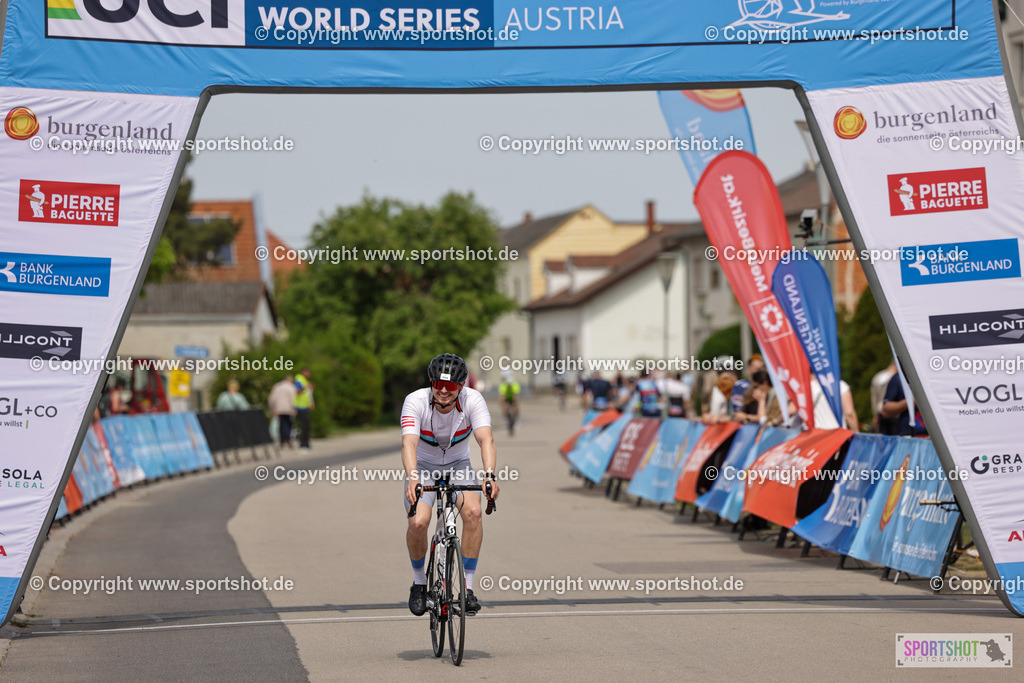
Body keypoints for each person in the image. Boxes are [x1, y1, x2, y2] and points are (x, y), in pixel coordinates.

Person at [403, 353, 499, 617]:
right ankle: (419, 583)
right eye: (438, 384)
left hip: (458, 466)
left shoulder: (473, 400)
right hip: (422, 467)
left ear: (462, 386)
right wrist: (413, 477)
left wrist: (489, 475)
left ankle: (466, 589)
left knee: (474, 513)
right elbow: (408, 443)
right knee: (418, 522)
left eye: (451, 386)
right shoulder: (415, 401)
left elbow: (486, 439)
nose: (444, 391)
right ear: (431, 383)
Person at [881, 371, 928, 437]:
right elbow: (885, 410)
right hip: (909, 436)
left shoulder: (936, 374)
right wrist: (911, 402)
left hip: (937, 436)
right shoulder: (899, 377)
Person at [268, 374, 297, 448]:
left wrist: (272, 408)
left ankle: (282, 440)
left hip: (279, 408)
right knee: (289, 424)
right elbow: (293, 399)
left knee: (281, 424)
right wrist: (294, 409)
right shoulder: (291, 387)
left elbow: (272, 399)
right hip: (289, 409)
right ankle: (288, 439)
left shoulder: (277, 387)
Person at [871, 361, 898, 435]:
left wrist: (875, 414)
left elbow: (874, 398)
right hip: (893, 413)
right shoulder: (895, 377)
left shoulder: (878, 376)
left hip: (880, 411)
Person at [294, 367, 314, 450]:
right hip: (300, 406)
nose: (309, 374)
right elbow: (298, 391)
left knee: (306, 425)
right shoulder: (299, 378)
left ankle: (306, 442)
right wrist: (306, 387)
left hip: (305, 406)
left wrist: (311, 403)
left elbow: (307, 394)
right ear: (304, 372)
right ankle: (303, 443)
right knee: (304, 425)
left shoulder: (304, 380)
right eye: (308, 372)